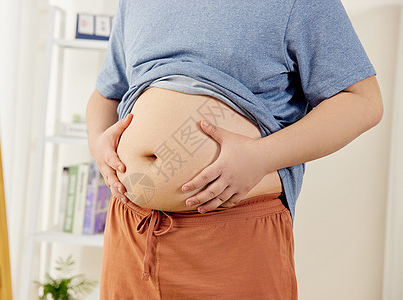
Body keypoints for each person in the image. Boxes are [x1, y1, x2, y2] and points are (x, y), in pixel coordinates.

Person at [86, 0, 383, 298]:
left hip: (231, 231)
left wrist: (262, 156)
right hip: (131, 227)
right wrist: (99, 142)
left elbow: (362, 102)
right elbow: (106, 95)